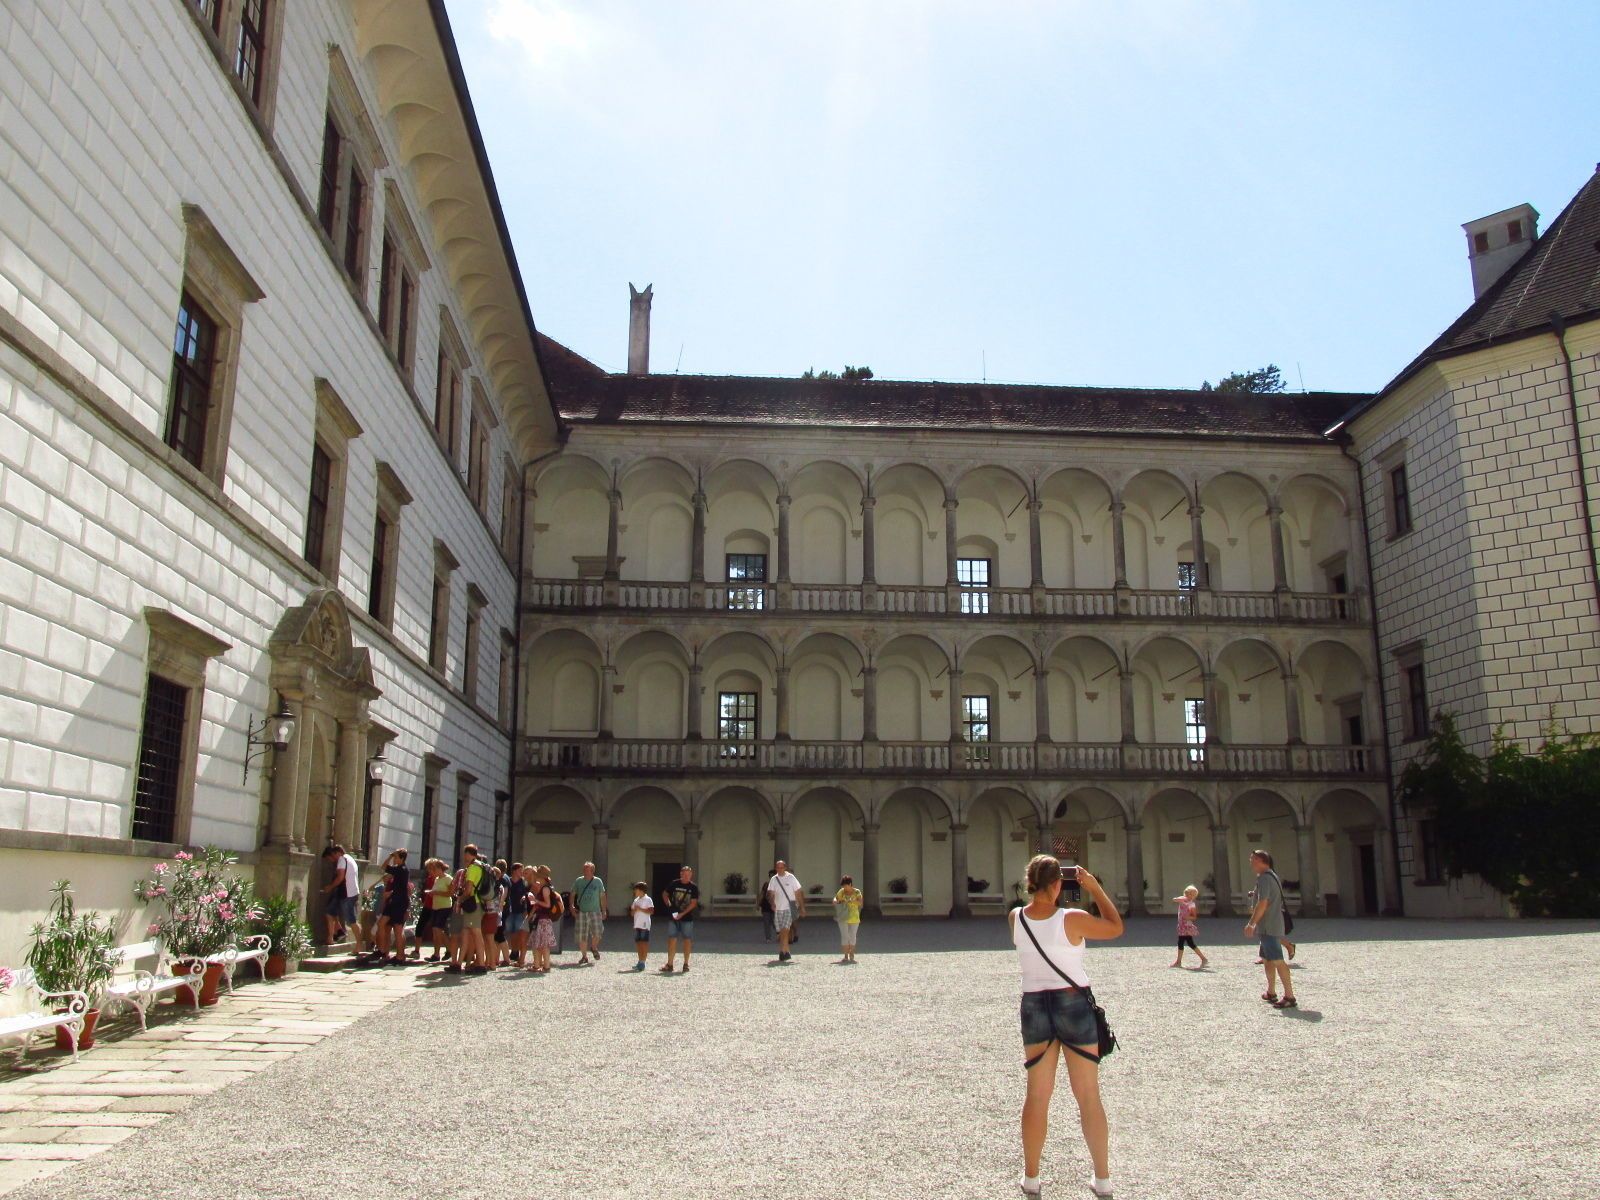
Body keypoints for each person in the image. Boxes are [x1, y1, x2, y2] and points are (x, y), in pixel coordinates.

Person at [1010, 855, 1123, 1198]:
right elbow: (1115, 927)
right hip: (1073, 1003)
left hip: (1034, 1004)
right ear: (1058, 884)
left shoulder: (1016, 918)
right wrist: (1095, 888)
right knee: (1088, 1094)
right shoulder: (1071, 919)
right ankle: (1102, 1178)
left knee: (1037, 1095)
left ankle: (1031, 1177)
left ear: (1030, 882)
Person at [1246, 850, 1296, 1009]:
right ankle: (1271, 991)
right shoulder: (1270, 876)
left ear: (1260, 860)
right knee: (1267, 959)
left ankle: (1289, 996)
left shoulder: (1265, 878)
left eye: (1252, 859)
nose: (1250, 862)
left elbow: (1263, 903)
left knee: (1277, 960)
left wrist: (1251, 924)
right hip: (1267, 926)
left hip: (1269, 926)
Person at [447, 845, 490, 974]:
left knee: (476, 933)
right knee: (466, 933)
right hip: (478, 903)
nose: (464, 857)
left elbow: (469, 889)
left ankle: (481, 965)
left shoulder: (473, 868)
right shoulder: (481, 867)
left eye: (465, 854)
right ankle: (458, 963)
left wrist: (460, 898)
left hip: (473, 904)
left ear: (468, 854)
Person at [410, 858, 452, 962]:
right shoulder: (435, 879)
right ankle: (437, 954)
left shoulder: (447, 879)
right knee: (435, 930)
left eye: (432, 869)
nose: (430, 871)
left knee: (438, 930)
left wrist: (436, 893)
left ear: (438, 868)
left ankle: (446, 951)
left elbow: (450, 893)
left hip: (443, 906)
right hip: (434, 906)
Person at [659, 865, 699, 973]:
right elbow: (665, 894)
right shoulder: (674, 883)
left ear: (691, 875)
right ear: (681, 874)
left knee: (687, 940)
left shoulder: (693, 887)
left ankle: (686, 964)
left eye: (688, 874)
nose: (686, 876)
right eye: (684, 874)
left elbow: (693, 903)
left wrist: (682, 913)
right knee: (672, 939)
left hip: (687, 918)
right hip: (674, 916)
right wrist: (670, 906)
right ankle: (670, 964)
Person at [374, 848, 409, 964]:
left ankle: (400, 956)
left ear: (402, 858)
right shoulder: (399, 869)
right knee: (381, 923)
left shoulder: (402, 869)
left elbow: (384, 867)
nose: (394, 859)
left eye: (396, 857)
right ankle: (382, 950)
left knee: (398, 929)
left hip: (399, 902)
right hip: (393, 901)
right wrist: (391, 856)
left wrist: (389, 857)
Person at [767, 859, 805, 963]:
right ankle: (786, 951)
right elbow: (770, 893)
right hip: (778, 909)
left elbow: (798, 892)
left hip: (789, 907)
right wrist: (772, 903)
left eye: (781, 867)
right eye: (778, 867)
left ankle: (782, 952)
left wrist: (802, 907)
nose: (779, 869)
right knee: (781, 933)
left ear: (785, 868)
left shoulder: (791, 878)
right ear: (776, 868)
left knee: (785, 930)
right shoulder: (774, 879)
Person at [319, 844, 357, 945]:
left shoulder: (341, 860)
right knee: (333, 913)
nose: (331, 861)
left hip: (343, 891)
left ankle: (331, 938)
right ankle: (339, 931)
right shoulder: (348, 859)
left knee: (331, 914)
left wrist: (329, 887)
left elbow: (340, 878)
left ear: (334, 854)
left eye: (329, 859)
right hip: (347, 891)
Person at [527, 864, 560, 973]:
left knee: (543, 944)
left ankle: (544, 966)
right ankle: (539, 965)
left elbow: (547, 904)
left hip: (544, 920)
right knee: (539, 944)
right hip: (541, 919)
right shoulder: (544, 887)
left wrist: (536, 900)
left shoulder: (545, 889)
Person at [573, 862, 607, 964]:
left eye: (586, 869)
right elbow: (572, 893)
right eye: (584, 869)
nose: (584, 871)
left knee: (598, 932)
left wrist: (604, 910)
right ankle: (584, 956)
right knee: (581, 935)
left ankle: (593, 946)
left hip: (595, 911)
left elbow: (602, 896)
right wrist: (571, 906)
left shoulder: (598, 881)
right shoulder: (579, 881)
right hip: (582, 912)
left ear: (592, 871)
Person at [1170, 885, 1208, 968]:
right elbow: (1174, 899)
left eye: (1193, 895)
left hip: (1187, 926)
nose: (1190, 896)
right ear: (1186, 893)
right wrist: (1181, 899)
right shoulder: (1182, 900)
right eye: (1189, 893)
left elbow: (1194, 917)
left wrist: (1188, 917)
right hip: (1181, 925)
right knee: (1187, 943)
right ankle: (1202, 959)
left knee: (1185, 942)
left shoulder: (1192, 904)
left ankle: (1179, 962)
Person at [503, 862, 531, 965]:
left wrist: (526, 908)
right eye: (520, 870)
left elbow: (528, 894)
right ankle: (513, 951)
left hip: (520, 911)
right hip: (510, 910)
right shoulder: (508, 881)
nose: (521, 872)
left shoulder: (523, 882)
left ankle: (516, 952)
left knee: (518, 932)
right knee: (511, 932)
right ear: (514, 871)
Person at [832, 874, 864, 963]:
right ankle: (846, 955)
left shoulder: (857, 892)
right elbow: (836, 898)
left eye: (845, 886)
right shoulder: (841, 892)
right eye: (843, 886)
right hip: (843, 916)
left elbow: (860, 903)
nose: (844, 888)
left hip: (854, 917)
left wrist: (853, 901)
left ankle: (852, 954)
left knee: (852, 936)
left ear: (850, 884)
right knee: (844, 936)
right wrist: (835, 901)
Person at [629, 881, 653, 972]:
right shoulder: (636, 900)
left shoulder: (648, 899)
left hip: (645, 924)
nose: (634, 891)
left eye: (636, 890)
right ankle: (640, 961)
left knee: (644, 943)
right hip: (637, 924)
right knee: (638, 943)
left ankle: (643, 961)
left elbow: (651, 911)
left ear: (641, 890)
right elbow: (632, 913)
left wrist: (640, 909)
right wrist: (634, 910)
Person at [356, 876, 384, 956]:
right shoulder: (381, 887)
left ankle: (375, 946)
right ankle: (376, 946)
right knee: (375, 931)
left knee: (374, 931)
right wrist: (380, 880)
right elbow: (371, 888)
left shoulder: (389, 888)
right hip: (377, 913)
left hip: (382, 913)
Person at [758, 870, 776, 942]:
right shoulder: (766, 885)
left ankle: (779, 935)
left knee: (775, 923)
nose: (771, 877)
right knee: (766, 923)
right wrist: (758, 904)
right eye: (770, 876)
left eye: (773, 875)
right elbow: (762, 894)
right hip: (766, 906)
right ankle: (768, 938)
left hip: (775, 907)